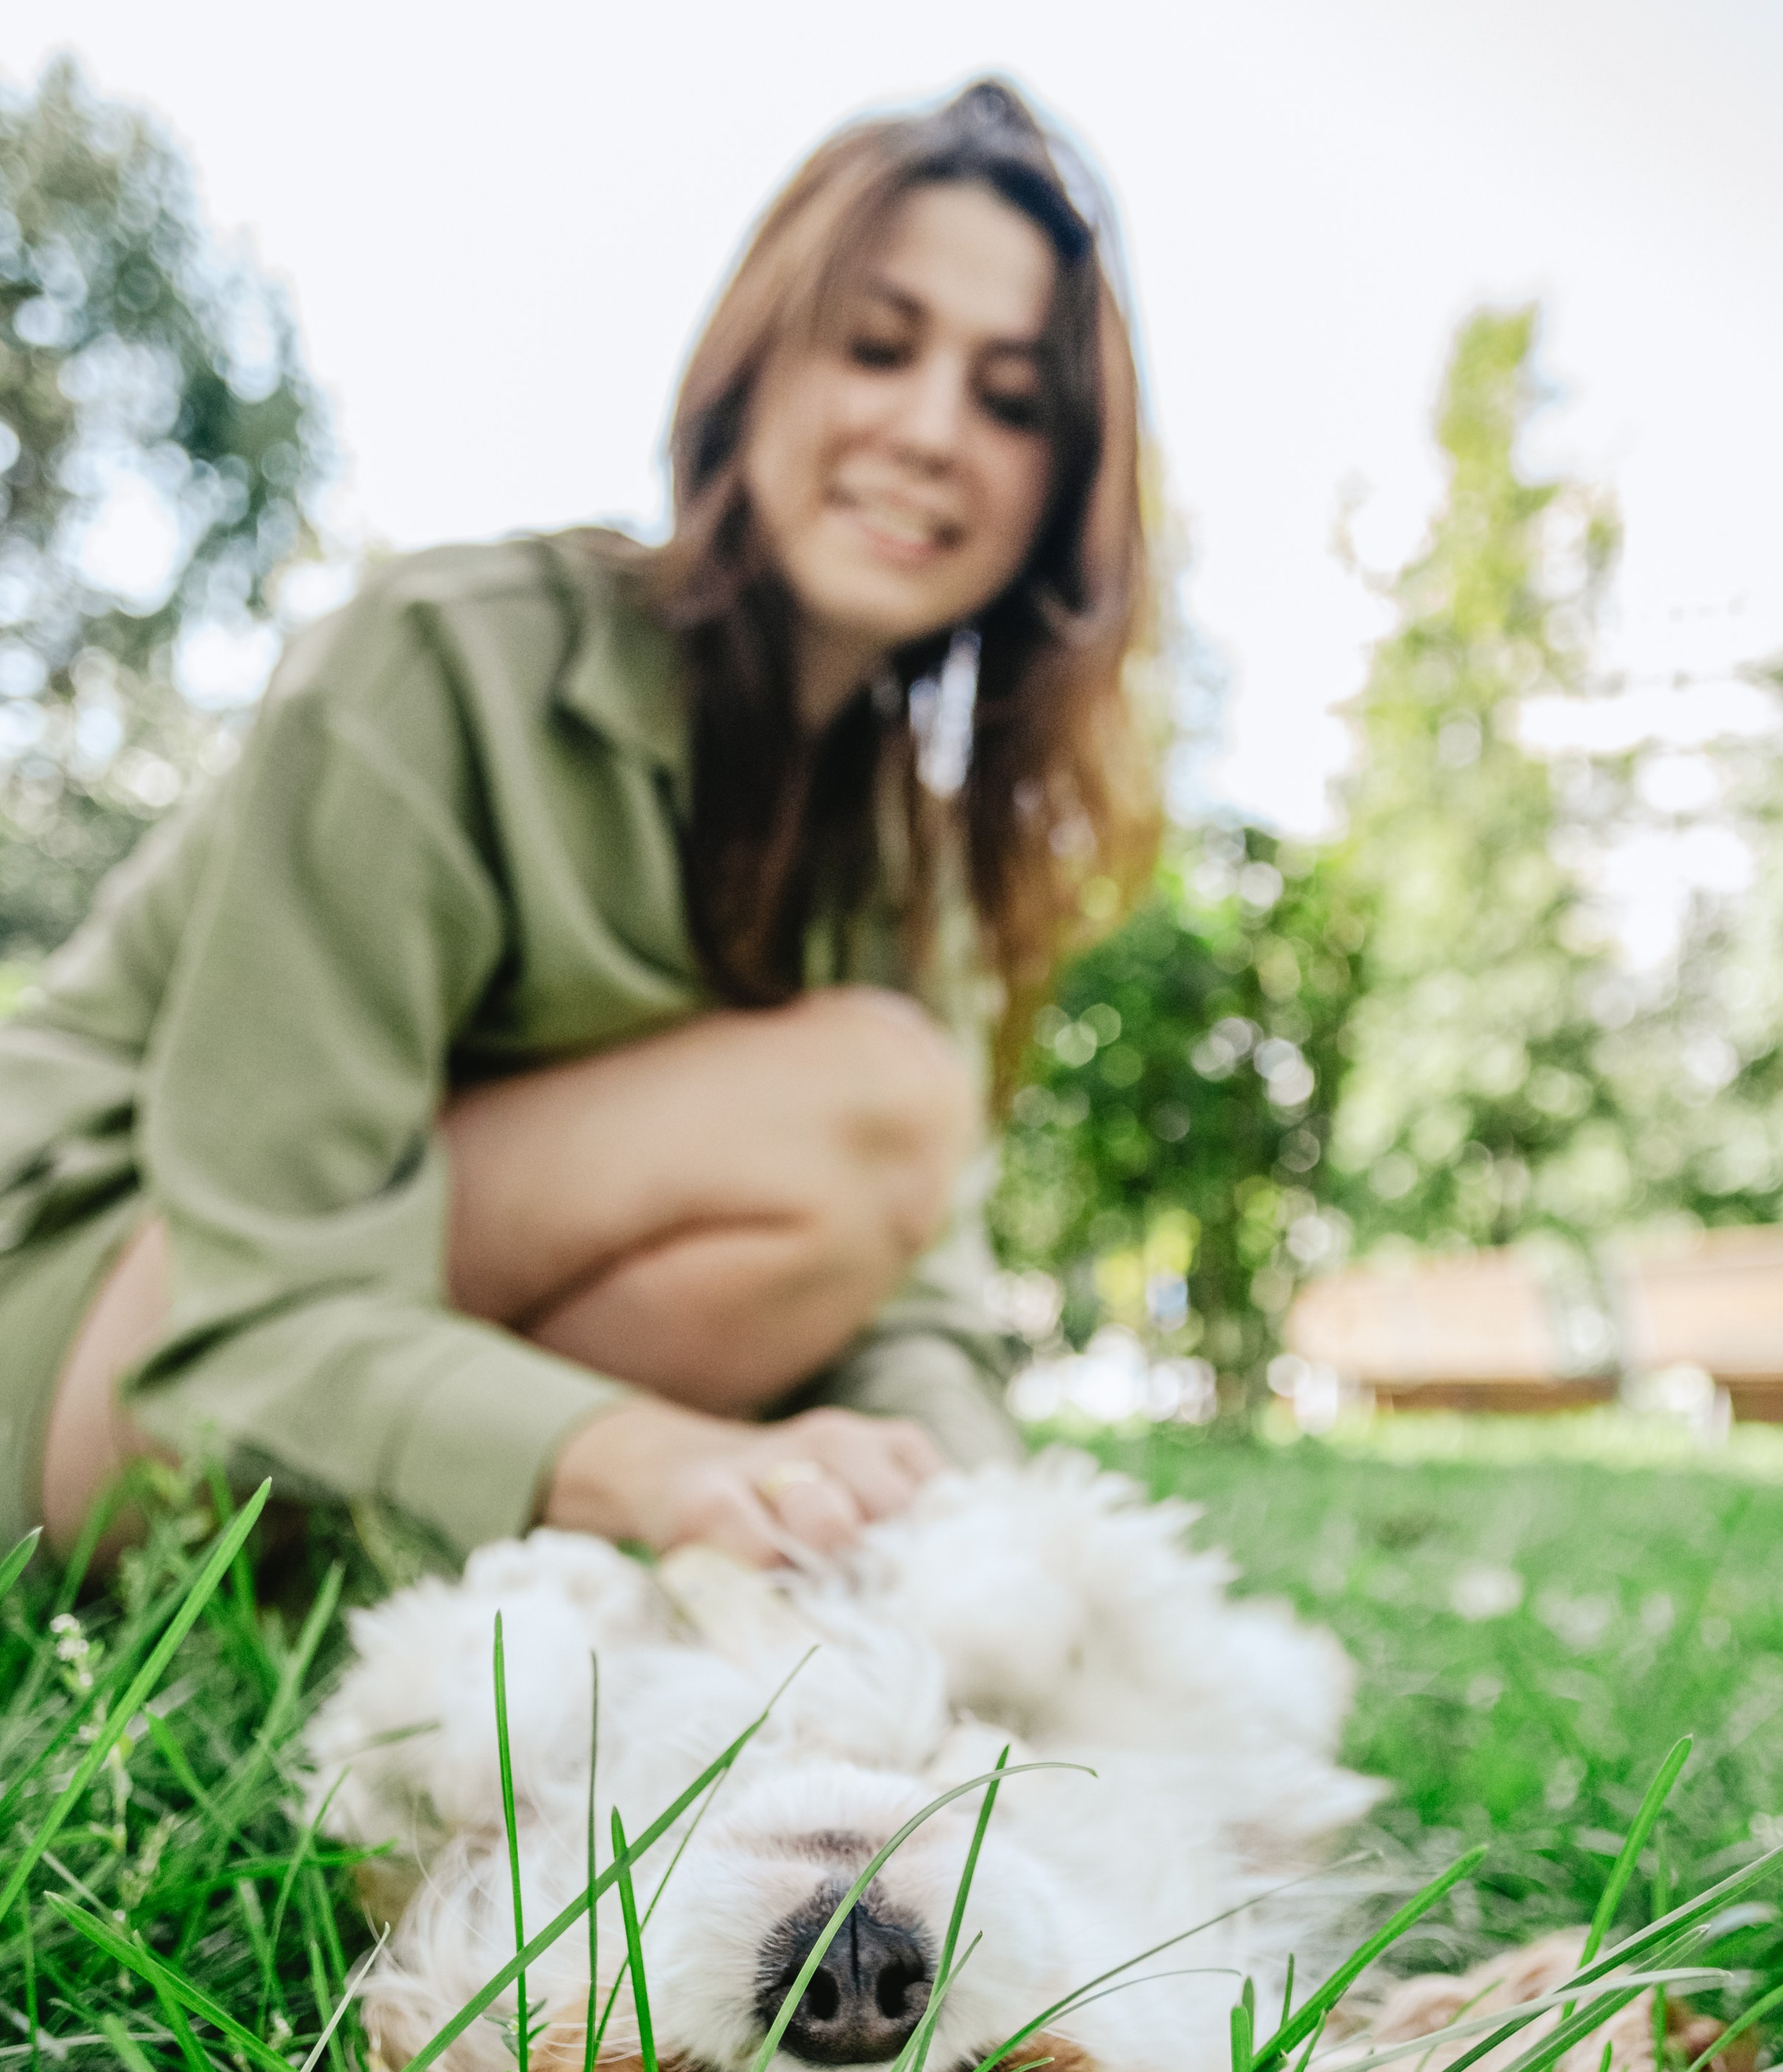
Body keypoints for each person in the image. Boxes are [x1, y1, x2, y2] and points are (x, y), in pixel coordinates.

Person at [0, 79, 1158, 1570]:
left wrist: (992, 1556)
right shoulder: (442, 660)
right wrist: (643, 1458)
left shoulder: (903, 858)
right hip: (110, 1339)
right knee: (870, 1098)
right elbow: (253, 1289)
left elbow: (913, 1313)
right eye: (876, 347)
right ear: (755, 369)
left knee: (868, 1164)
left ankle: (470, 1573)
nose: (933, 432)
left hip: (348, 1388)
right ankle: (573, 1525)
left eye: (1011, 403)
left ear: (1061, 492)